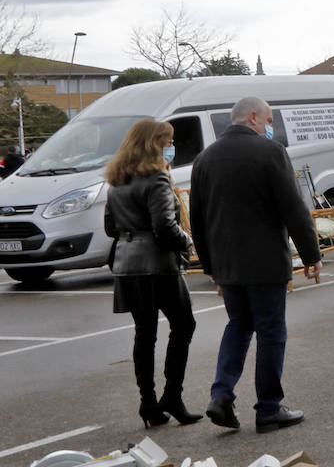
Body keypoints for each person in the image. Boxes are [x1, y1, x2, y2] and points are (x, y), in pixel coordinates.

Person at [191, 96, 320, 433]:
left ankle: (221, 395)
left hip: (228, 265)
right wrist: (311, 255)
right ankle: (268, 408)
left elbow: (197, 219)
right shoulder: (270, 152)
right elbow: (293, 209)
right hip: (265, 263)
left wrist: (210, 265)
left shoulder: (204, 159)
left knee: (239, 325)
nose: (269, 126)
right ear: (252, 118)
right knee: (271, 332)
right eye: (268, 120)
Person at [103, 119, 200, 428]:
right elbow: (164, 228)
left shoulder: (118, 180)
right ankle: (172, 395)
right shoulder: (157, 178)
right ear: (155, 144)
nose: (171, 147)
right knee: (183, 325)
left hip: (128, 264)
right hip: (158, 264)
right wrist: (189, 242)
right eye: (168, 142)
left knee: (145, 333)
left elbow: (110, 227)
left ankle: (148, 402)